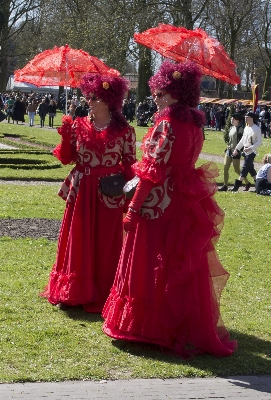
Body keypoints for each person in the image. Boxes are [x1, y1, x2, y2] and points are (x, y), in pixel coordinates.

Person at [102, 61, 237, 358]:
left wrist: (133, 208)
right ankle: (177, 322)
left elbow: (152, 171)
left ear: (177, 93)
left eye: (163, 93)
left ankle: (148, 325)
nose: (157, 98)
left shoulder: (167, 123)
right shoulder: (195, 123)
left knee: (150, 257)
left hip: (158, 202)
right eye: (157, 92)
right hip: (183, 199)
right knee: (177, 261)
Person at [41, 73, 136, 313]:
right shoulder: (78, 125)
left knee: (106, 241)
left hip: (109, 193)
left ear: (109, 100)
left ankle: (104, 291)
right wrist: (65, 136)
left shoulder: (125, 132)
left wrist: (129, 198)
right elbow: (66, 158)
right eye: (89, 97)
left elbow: (129, 167)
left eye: (96, 97)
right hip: (82, 192)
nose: (90, 101)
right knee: (79, 239)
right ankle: (75, 291)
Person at [231, 111, 262, 191]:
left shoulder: (256, 129)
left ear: (252, 118)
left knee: (244, 168)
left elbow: (259, 142)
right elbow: (242, 140)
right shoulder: (246, 128)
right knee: (251, 169)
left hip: (251, 152)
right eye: (245, 117)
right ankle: (259, 185)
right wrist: (237, 149)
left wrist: (251, 148)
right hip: (245, 151)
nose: (245, 118)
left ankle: (236, 186)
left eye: (247, 117)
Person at [219, 112, 250, 191]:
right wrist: (227, 147)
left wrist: (239, 150)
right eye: (231, 119)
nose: (232, 120)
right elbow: (230, 140)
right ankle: (225, 186)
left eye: (234, 119)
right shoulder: (231, 128)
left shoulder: (240, 129)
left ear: (238, 121)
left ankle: (247, 183)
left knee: (236, 169)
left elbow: (243, 141)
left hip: (236, 151)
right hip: (229, 150)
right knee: (225, 168)